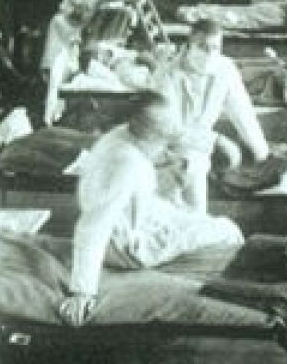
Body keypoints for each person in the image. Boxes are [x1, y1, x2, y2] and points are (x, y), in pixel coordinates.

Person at [57, 92, 245, 327]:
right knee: (228, 230)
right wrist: (82, 291)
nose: (167, 147)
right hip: (128, 247)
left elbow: (176, 132)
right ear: (149, 134)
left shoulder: (121, 134)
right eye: (163, 141)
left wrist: (218, 141)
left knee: (196, 214)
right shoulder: (125, 163)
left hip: (140, 217)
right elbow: (93, 227)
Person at [145, 20, 269, 212]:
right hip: (164, 147)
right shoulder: (167, 73)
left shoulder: (225, 69)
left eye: (215, 47)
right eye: (202, 47)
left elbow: (242, 110)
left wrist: (261, 152)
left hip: (196, 149)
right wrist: (215, 140)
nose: (209, 54)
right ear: (189, 46)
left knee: (200, 166)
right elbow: (168, 127)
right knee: (181, 200)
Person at [42, 0, 128, 124]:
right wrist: (72, 12)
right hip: (75, 21)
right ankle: (56, 82)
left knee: (76, 42)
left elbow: (112, 4)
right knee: (56, 23)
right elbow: (66, 0)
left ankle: (66, 87)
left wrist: (90, 13)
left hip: (100, 25)